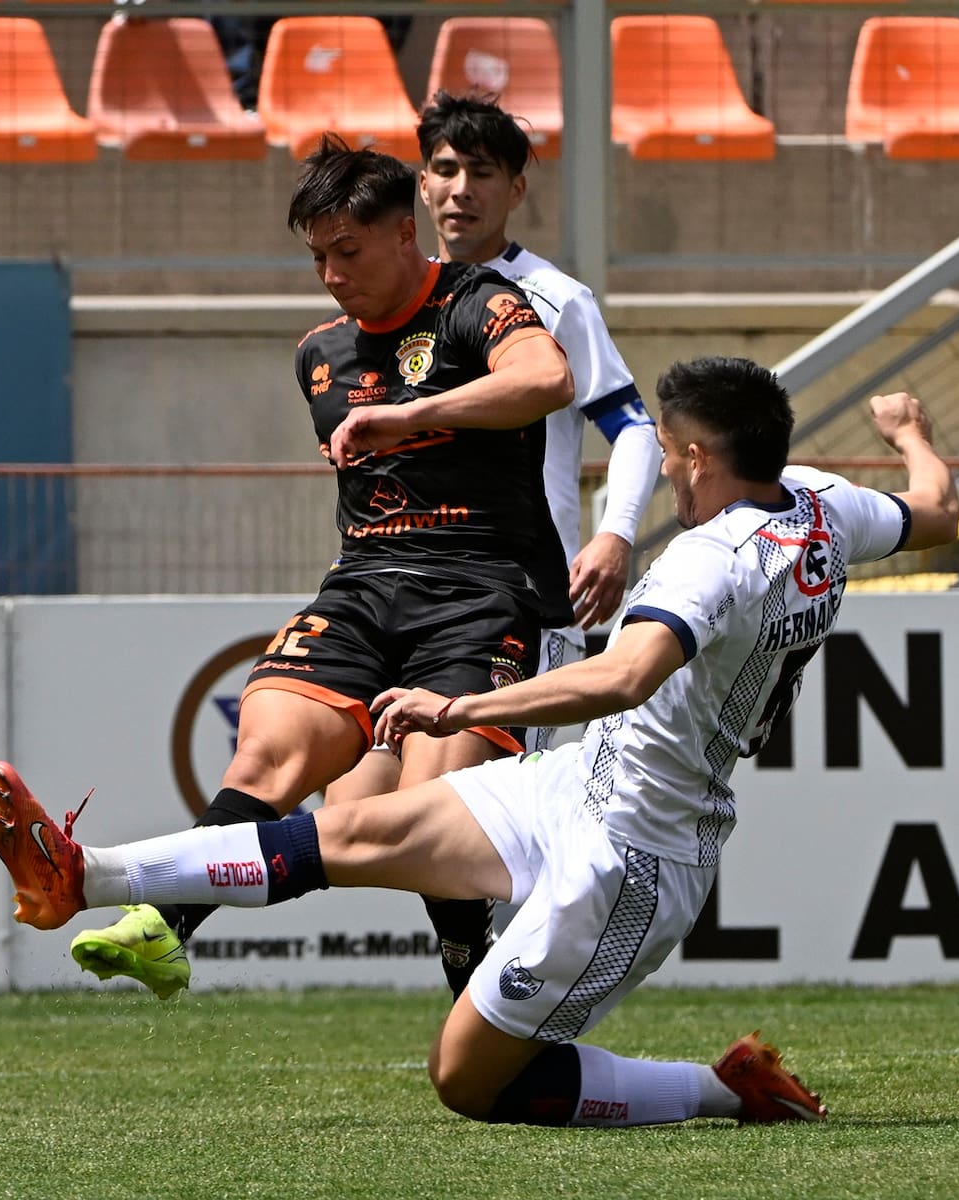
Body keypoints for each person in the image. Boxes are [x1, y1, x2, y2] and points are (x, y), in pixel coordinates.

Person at [0, 357, 959, 1129]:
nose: (661, 461)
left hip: (636, 854)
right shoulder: (822, 508)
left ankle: (724, 1088)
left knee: (470, 1082)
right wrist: (911, 434)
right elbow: (936, 513)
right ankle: (82, 876)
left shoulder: (712, 560)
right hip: (579, 783)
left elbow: (624, 675)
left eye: (666, 446)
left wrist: (454, 711)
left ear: (698, 456)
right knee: (348, 835)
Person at [59, 132, 576, 1002]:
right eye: (317, 256)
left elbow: (548, 379)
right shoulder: (318, 356)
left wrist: (415, 414)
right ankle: (164, 929)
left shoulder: (478, 302)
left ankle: (469, 971)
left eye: (349, 250)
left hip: (483, 592)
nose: (333, 272)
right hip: (365, 586)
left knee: (431, 817)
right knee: (261, 757)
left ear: (404, 234)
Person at [326, 91, 661, 812]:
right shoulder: (382, 305)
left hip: (517, 600)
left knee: (479, 818)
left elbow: (633, 428)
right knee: (358, 813)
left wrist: (616, 533)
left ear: (515, 191)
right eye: (444, 169)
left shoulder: (554, 299)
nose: (460, 189)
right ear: (420, 185)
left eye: (481, 173)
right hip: (408, 598)